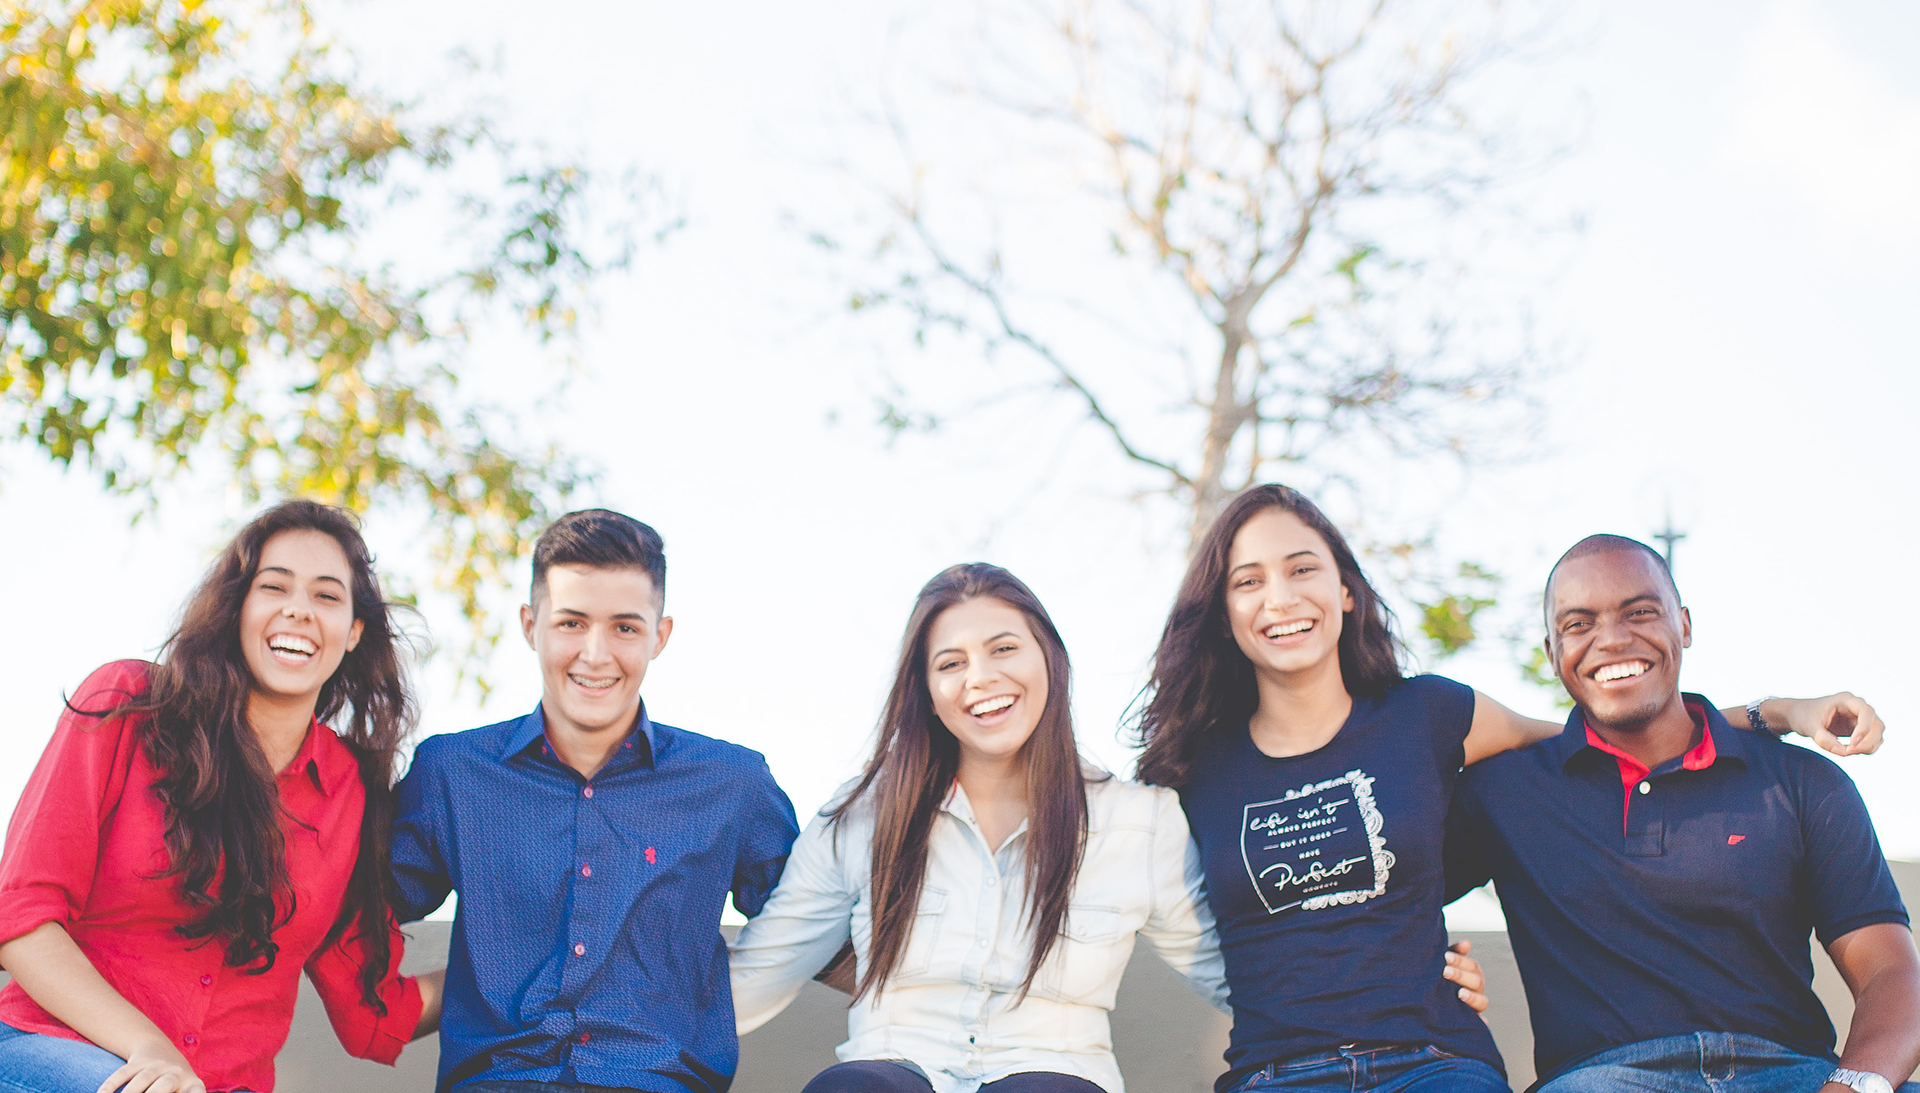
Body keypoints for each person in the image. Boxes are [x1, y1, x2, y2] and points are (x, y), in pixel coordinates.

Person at [1130, 484, 1881, 1093]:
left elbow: (1610, 725)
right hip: (1291, 1070)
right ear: (1224, 610)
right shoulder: (1193, 767)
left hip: (1439, 1064)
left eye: (1302, 568)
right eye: (1249, 580)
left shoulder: (1431, 714)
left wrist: (1773, 712)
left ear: (1347, 590)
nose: (1281, 597)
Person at [726, 563, 1491, 1093]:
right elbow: (757, 974)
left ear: (1049, 660)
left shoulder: (1137, 821)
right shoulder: (860, 817)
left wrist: (1408, 975)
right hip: (892, 1064)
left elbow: (1249, 974)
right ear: (926, 691)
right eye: (950, 663)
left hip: (1053, 1070)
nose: (981, 679)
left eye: (1002, 649)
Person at [1444, 534, 1919, 1093]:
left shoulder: (1801, 781)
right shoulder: (1503, 790)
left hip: (1794, 1075)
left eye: (1640, 612)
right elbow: (1371, 902)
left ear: (1685, 625)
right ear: (1552, 652)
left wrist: (1854, 1087)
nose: (1613, 640)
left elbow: (1890, 972)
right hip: (1601, 1082)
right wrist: (1436, 968)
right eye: (1578, 624)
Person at [0, 500, 443, 1093]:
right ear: (238, 608)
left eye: (327, 596)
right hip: (48, 1055)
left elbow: (374, 1015)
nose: (298, 610)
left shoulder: (351, 793)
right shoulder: (128, 706)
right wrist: (147, 1048)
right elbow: (22, 918)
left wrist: (521, 960)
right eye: (274, 586)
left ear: (354, 632)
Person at [390, 509, 799, 1093]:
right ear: (531, 625)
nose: (596, 654)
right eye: (572, 623)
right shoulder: (453, 774)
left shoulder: (732, 783)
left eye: (625, 628)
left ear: (660, 636)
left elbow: (816, 923)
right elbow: (352, 907)